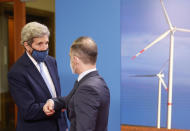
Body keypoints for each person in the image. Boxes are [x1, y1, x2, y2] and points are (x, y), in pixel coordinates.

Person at [8, 22, 68, 131]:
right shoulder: (17, 72)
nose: (44, 48)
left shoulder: (51, 61)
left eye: (46, 43)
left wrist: (64, 126)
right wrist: (56, 106)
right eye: (39, 44)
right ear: (27, 45)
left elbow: (55, 95)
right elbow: (28, 110)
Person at [43, 36, 110, 131]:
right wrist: (53, 102)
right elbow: (73, 99)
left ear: (75, 60)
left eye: (70, 57)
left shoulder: (87, 88)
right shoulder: (97, 82)